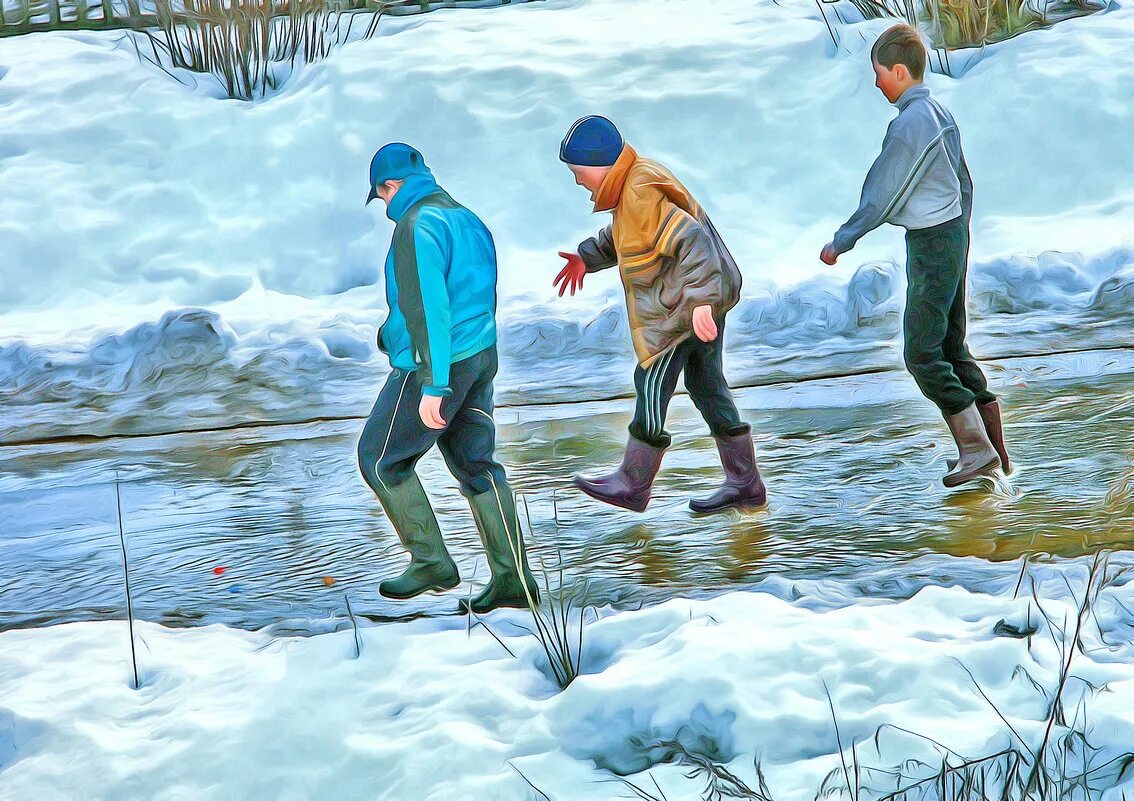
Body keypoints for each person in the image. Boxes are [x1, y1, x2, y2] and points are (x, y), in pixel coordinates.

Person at [820, 24, 1011, 487]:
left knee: (922, 353)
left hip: (932, 243)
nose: (877, 83)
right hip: (950, 236)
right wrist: (959, 235)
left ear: (900, 71)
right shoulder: (938, 111)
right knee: (951, 346)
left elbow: (884, 191)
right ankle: (994, 453)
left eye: (879, 73)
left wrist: (843, 239)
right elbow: (965, 183)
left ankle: (976, 451)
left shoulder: (910, 124)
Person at [555, 115, 766, 515]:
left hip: (681, 309)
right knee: (706, 385)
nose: (578, 181)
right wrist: (586, 257)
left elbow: (692, 240)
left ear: (599, 165)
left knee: (651, 381)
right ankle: (745, 482)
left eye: (578, 172)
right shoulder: (635, 183)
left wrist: (701, 301)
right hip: (694, 301)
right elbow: (628, 238)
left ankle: (634, 483)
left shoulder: (638, 192)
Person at [359, 142, 538, 614]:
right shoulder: (467, 218)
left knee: (380, 459)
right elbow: (472, 294)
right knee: (478, 465)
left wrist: (434, 382)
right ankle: (513, 579)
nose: (384, 208)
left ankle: (431, 561)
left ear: (389, 186)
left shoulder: (416, 227)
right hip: (480, 354)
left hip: (437, 362)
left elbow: (429, 308)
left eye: (381, 197)